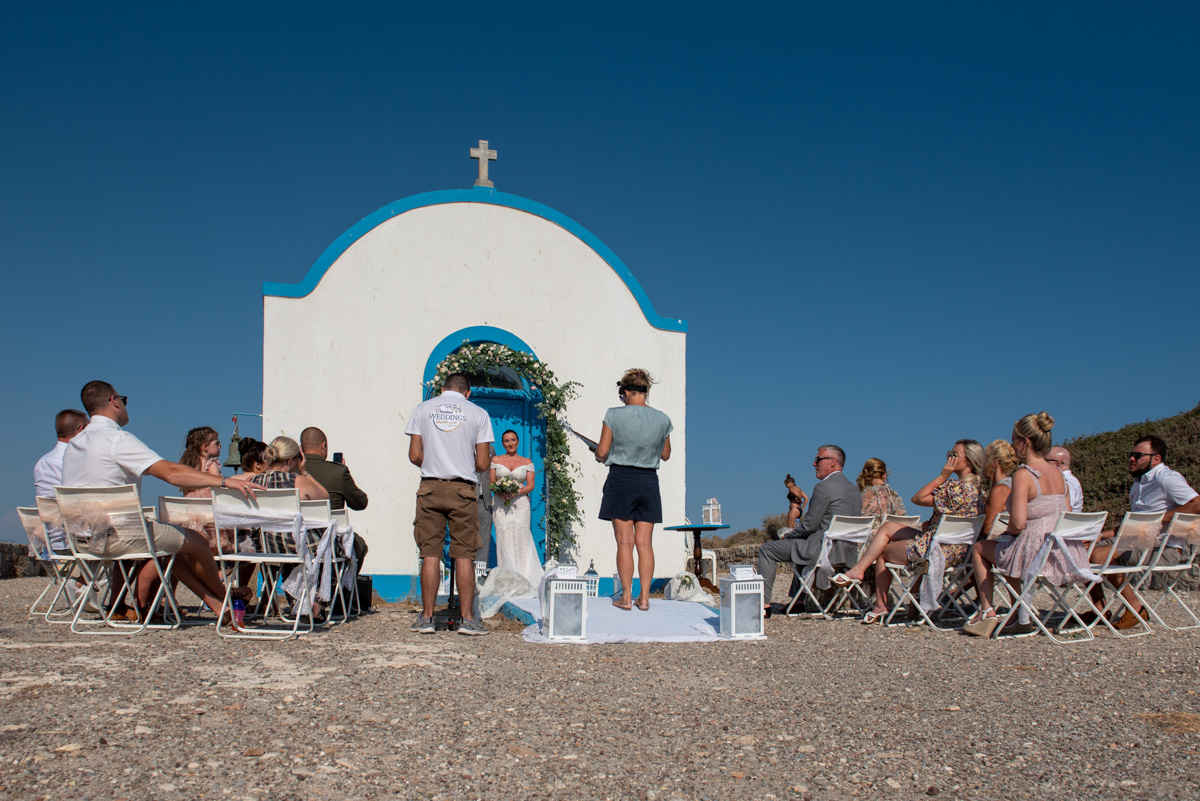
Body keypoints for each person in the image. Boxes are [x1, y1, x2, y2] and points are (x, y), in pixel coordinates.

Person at [61, 381, 256, 624]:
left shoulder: (74, 445)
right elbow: (171, 473)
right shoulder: (116, 440)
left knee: (175, 547)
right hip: (119, 536)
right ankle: (224, 596)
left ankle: (218, 605)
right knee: (197, 540)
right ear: (114, 401)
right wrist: (226, 482)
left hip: (82, 540)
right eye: (123, 399)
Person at [833, 440, 985, 623]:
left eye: (954, 455)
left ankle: (879, 603)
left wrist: (942, 476)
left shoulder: (954, 489)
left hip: (937, 548)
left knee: (882, 554)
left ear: (968, 461)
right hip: (957, 549)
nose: (949, 459)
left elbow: (918, 498)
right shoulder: (979, 490)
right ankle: (862, 572)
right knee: (887, 528)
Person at [965, 413, 1070, 637]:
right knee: (1009, 549)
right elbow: (1067, 513)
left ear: (1026, 443)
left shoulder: (1024, 474)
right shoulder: (1059, 474)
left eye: (1013, 440)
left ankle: (987, 610)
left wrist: (1010, 532)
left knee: (981, 549)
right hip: (1059, 550)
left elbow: (1018, 523)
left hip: (1033, 550)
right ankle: (1019, 611)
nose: (1012, 446)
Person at [406, 372, 494, 635]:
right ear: (468, 393)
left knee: (430, 552)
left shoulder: (422, 409)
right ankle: (467, 619)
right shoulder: (478, 413)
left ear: (443, 389)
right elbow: (483, 463)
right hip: (462, 489)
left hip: (430, 486)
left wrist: (435, 464)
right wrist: (460, 464)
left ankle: (427, 618)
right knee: (465, 553)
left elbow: (414, 455)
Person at [1087, 435, 1200, 629]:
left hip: (1164, 547)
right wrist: (1100, 535)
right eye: (1131, 454)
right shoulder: (1139, 484)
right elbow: (1133, 523)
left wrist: (1160, 518)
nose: (1132, 459)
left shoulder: (1167, 479)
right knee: (1082, 551)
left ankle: (1135, 608)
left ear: (1156, 458)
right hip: (1137, 540)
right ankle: (1100, 608)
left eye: (1138, 455)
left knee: (1098, 555)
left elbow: (1196, 503)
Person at [595, 368, 673, 612]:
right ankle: (646, 598)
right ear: (646, 391)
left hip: (622, 479)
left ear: (626, 392)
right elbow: (666, 454)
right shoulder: (662, 418)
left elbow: (602, 452)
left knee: (625, 542)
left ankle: (626, 597)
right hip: (649, 481)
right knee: (645, 544)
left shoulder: (613, 415)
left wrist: (600, 454)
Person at [756, 445, 861, 615]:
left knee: (767, 550)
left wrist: (788, 535)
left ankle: (762, 604)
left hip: (824, 551)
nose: (814, 463)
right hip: (847, 552)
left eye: (818, 459)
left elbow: (809, 525)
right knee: (800, 544)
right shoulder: (854, 489)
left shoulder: (824, 488)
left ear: (833, 462)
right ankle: (798, 601)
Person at [300, 426, 370, 569]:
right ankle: (342, 588)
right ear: (323, 446)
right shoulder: (338, 472)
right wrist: (343, 475)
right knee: (360, 545)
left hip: (296, 542)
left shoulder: (291, 472)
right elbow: (360, 503)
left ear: (301, 448)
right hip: (330, 543)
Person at [489, 429, 543, 589]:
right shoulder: (496, 460)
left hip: (520, 504)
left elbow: (531, 485)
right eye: (506, 441)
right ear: (502, 443)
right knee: (503, 537)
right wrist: (500, 491)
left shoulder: (527, 462)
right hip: (500, 503)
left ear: (518, 442)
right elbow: (492, 482)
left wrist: (515, 492)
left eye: (513, 440)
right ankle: (507, 579)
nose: (510, 443)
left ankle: (525, 578)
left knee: (521, 538)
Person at [981, 440, 1020, 539]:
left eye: (986, 460)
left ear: (995, 463)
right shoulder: (1015, 484)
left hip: (1000, 544)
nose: (982, 465)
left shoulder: (1000, 490)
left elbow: (987, 530)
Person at [857, 458, 905, 531]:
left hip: (871, 538)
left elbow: (858, 520)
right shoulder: (894, 494)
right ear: (884, 475)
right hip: (893, 537)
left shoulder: (868, 494)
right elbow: (903, 518)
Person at [179, 426, 223, 498]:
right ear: (205, 446)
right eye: (217, 443)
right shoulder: (211, 463)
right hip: (208, 506)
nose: (219, 446)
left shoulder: (189, 465)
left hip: (191, 507)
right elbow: (218, 484)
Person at [1046, 446, 1083, 512]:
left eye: (1046, 460)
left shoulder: (1068, 482)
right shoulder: (1071, 481)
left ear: (1058, 464)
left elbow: (1064, 507)